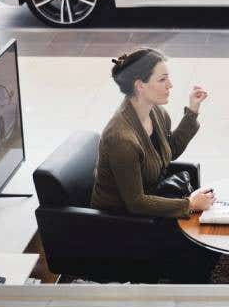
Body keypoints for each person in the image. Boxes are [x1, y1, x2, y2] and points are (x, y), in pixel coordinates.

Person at [92, 48, 216, 220]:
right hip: (122, 221)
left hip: (152, 204)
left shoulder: (156, 112)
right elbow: (136, 203)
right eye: (162, 79)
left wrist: (192, 110)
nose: (170, 85)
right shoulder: (121, 139)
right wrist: (189, 204)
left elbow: (169, 150)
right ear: (140, 85)